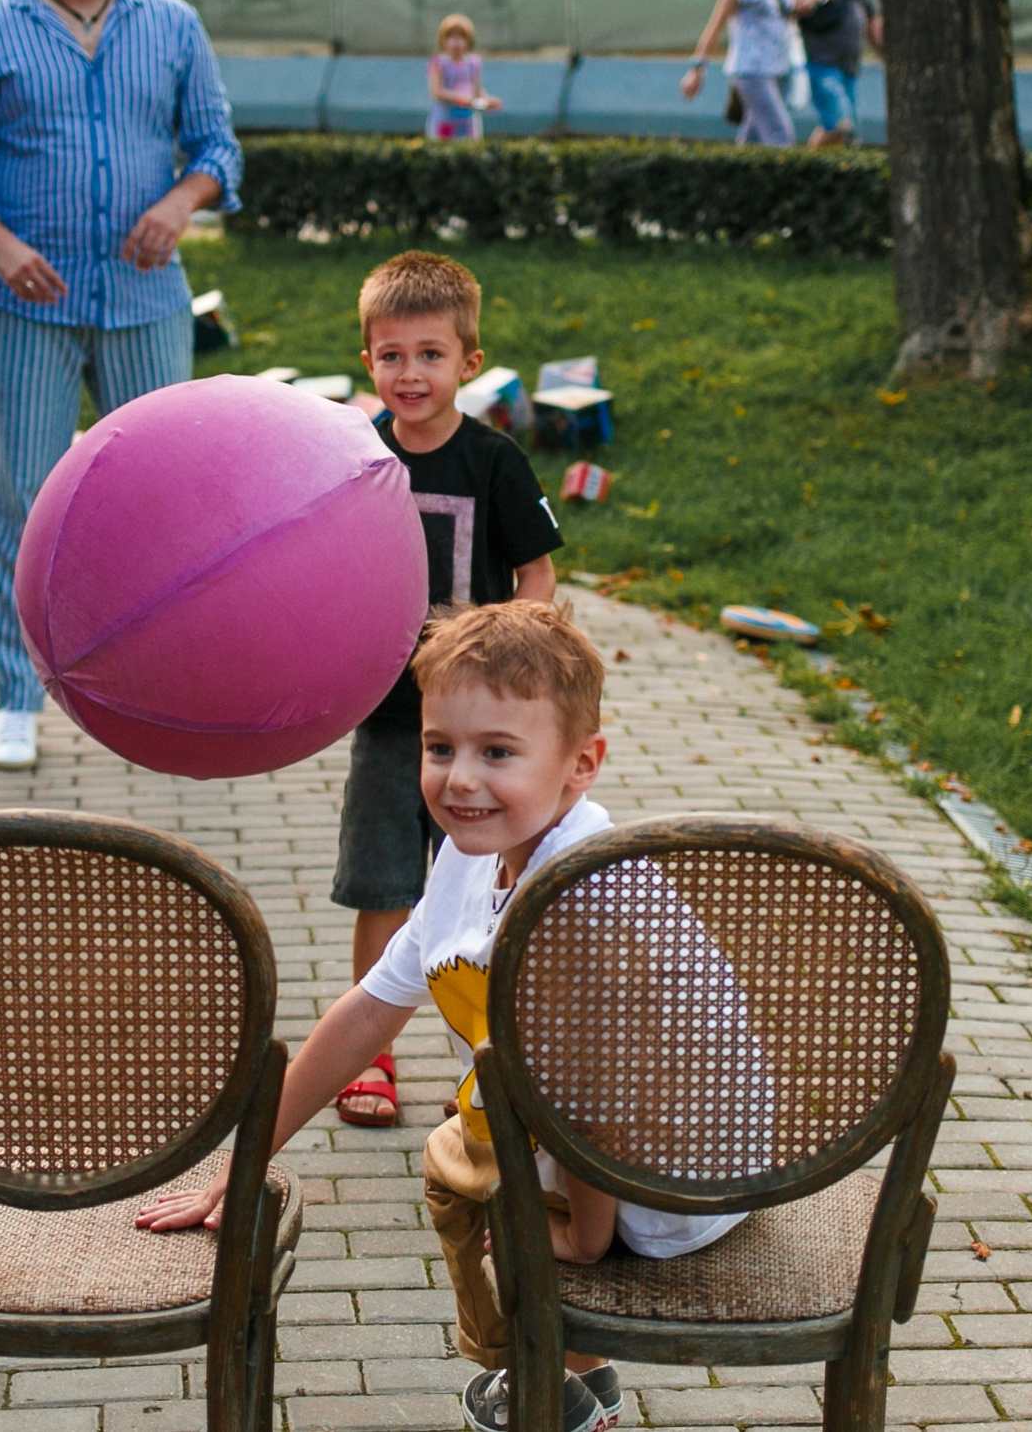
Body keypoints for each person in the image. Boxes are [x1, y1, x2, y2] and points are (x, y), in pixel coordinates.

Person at [137, 602, 757, 1432]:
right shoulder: (476, 857)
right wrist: (239, 1167)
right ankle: (572, 1377)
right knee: (465, 1142)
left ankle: (552, 1387)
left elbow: (592, 1094)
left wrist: (588, 1242)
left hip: (664, 1184)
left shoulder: (579, 897)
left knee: (466, 1163)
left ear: (583, 763)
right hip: (602, 1142)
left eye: (497, 752)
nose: (459, 778)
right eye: (440, 748)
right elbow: (366, 1015)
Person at [0, 0, 241, 772]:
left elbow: (219, 146)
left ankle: (174, 691)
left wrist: (181, 203)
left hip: (147, 304)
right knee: (24, 502)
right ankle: (18, 699)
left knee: (169, 509)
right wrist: (1, 244)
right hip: (30, 310)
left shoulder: (172, 26)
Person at [329, 253, 562, 1131]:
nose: (409, 373)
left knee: (493, 889)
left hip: (483, 726)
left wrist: (513, 659)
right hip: (391, 723)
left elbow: (535, 571)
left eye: (430, 354)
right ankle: (371, 1056)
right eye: (391, 356)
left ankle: (489, 1063)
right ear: (369, 365)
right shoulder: (356, 455)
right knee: (384, 886)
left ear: (469, 362)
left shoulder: (494, 461)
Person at [678, 0, 805, 147]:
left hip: (779, 68)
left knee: (753, 137)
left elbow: (789, 9)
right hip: (751, 70)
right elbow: (715, 25)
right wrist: (697, 69)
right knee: (780, 135)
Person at [792, 0, 884, 148]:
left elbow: (872, 18)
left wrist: (887, 56)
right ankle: (805, 169)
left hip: (850, 68)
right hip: (821, 65)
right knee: (839, 125)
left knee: (848, 135)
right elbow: (788, 5)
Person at [427, 15, 504, 141]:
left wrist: (488, 101)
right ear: (442, 40)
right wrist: (459, 98)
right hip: (445, 121)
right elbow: (436, 92)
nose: (456, 43)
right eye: (450, 37)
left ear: (469, 41)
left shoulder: (473, 63)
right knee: (444, 150)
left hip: (466, 123)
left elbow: (477, 91)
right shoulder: (439, 63)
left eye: (461, 37)